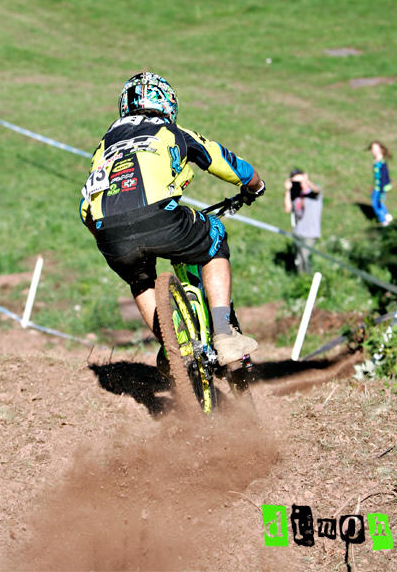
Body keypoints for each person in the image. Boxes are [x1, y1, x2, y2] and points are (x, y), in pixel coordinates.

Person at [80, 71, 265, 366]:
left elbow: (85, 209)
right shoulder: (171, 131)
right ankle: (224, 336)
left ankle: (173, 348)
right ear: (168, 104)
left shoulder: (104, 147)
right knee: (214, 234)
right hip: (160, 217)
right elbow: (220, 159)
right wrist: (254, 185)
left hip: (109, 233)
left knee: (140, 280)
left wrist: (110, 237)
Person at [283, 168, 322, 274]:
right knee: (298, 260)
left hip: (311, 232)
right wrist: (287, 190)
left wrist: (305, 181)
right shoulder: (295, 193)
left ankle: (308, 279)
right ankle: (301, 281)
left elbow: (316, 191)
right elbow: (287, 209)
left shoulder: (314, 190)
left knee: (305, 256)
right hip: (298, 232)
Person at [368, 141, 393, 226]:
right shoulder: (377, 160)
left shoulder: (382, 163)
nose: (373, 150)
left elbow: (384, 177)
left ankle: (384, 220)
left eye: (375, 148)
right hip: (377, 186)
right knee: (376, 200)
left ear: (381, 149)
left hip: (381, 187)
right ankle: (386, 215)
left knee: (376, 203)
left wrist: (382, 191)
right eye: (372, 148)